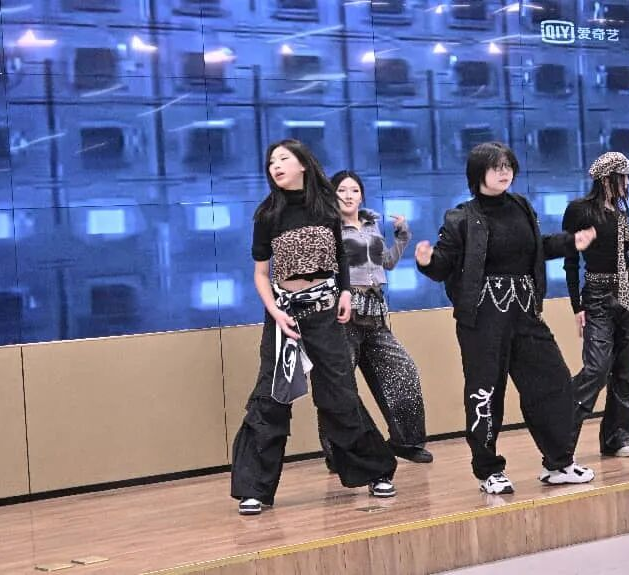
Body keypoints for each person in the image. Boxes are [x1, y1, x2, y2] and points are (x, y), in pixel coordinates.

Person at [415, 141, 597, 494]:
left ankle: (558, 463)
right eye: (496, 167)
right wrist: (426, 261)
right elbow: (443, 265)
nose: (504, 172)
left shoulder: (521, 206)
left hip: (525, 312)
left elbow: (537, 247)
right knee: (485, 393)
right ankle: (488, 470)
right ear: (478, 173)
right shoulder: (460, 217)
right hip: (483, 319)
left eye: (508, 166)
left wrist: (570, 242)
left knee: (554, 382)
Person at [230, 140, 398, 515]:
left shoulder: (325, 208)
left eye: (283, 159)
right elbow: (261, 274)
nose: (275, 166)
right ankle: (254, 489)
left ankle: (375, 471)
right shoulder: (267, 214)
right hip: (285, 316)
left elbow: (340, 256)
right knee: (272, 398)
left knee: (339, 393)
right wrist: (275, 313)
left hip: (325, 312)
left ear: (303, 165)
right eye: (271, 161)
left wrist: (345, 292)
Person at [317, 169, 431, 469]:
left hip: (375, 311)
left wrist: (402, 235)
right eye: (342, 190)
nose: (348, 196)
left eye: (354, 190)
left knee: (403, 371)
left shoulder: (372, 224)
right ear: (332, 195)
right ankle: (337, 454)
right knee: (339, 386)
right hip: (343, 313)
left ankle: (407, 442)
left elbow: (388, 263)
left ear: (362, 196)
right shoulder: (328, 228)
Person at [563, 152, 629, 457]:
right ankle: (560, 431)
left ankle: (619, 438)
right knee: (597, 368)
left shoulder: (621, 212)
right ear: (608, 179)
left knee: (624, 370)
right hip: (597, 293)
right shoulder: (579, 210)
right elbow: (570, 261)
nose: (628, 182)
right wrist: (576, 306)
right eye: (624, 176)